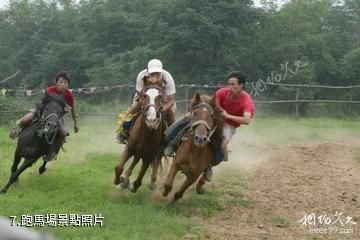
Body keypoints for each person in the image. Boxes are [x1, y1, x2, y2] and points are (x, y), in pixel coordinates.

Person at [164, 71, 255, 182]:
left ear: (241, 85)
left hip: (228, 124)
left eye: (233, 84)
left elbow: (247, 120)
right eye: (229, 84)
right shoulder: (222, 92)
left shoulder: (247, 101)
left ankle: (208, 166)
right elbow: (211, 105)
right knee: (185, 119)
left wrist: (228, 116)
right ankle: (171, 143)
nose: (230, 87)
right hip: (214, 117)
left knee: (223, 144)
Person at [9, 71, 80, 160]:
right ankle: (17, 130)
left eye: (65, 83)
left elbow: (73, 108)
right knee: (25, 119)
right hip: (44, 110)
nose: (62, 84)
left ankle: (53, 153)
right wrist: (39, 113)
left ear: (67, 85)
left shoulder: (69, 95)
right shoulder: (50, 90)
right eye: (60, 82)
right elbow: (43, 103)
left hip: (58, 116)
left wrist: (76, 123)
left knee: (63, 133)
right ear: (56, 82)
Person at [116, 59, 176, 144]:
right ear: (148, 71)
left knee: (172, 111)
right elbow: (139, 95)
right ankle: (124, 132)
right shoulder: (141, 76)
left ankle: (170, 136)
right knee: (134, 107)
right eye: (152, 73)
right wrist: (148, 104)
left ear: (161, 71)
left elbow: (171, 100)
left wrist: (163, 108)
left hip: (164, 100)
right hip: (144, 98)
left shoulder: (168, 77)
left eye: (157, 73)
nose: (154, 75)